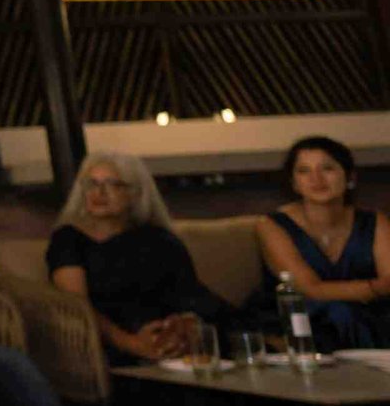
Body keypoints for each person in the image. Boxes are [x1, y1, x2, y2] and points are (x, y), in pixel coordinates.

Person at [47, 152, 238, 365]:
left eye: (113, 184)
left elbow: (190, 294)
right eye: (92, 184)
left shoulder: (159, 239)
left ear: (135, 193)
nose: (99, 192)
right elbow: (77, 307)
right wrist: (133, 344)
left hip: (174, 344)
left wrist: (184, 325)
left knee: (234, 326)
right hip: (114, 344)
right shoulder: (68, 239)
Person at [255, 136, 390, 351]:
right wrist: (373, 288)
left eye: (327, 168)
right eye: (304, 171)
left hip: (370, 313)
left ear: (350, 177)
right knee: (341, 313)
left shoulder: (375, 221)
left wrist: (374, 291)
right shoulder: (271, 225)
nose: (316, 179)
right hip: (300, 316)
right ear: (294, 183)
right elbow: (309, 289)